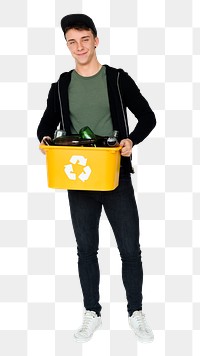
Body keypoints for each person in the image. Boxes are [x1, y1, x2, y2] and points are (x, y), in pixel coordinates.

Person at [37, 13, 156, 343]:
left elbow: (147, 117)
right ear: (67, 45)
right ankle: (92, 312)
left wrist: (131, 140)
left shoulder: (117, 79)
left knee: (129, 249)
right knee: (86, 250)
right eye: (72, 42)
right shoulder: (62, 84)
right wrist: (46, 141)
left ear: (96, 40)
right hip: (78, 176)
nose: (79, 47)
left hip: (114, 175)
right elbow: (46, 124)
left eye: (84, 39)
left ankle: (136, 312)